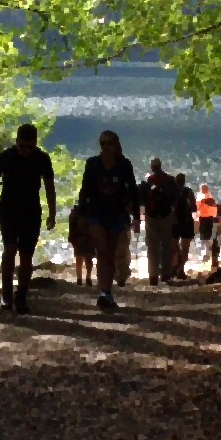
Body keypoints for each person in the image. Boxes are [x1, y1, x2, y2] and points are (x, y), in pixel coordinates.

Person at [0, 122, 58, 315]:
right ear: (16, 141)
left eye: (29, 146)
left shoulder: (42, 159)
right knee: (9, 249)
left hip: (31, 211)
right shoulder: (4, 158)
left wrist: (52, 212)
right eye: (22, 146)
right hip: (9, 209)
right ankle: (6, 294)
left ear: (35, 143)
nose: (25, 150)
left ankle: (22, 296)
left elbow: (50, 187)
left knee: (26, 255)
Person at [75, 130, 138, 312]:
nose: (106, 147)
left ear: (116, 144)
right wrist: (81, 214)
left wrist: (136, 217)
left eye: (109, 143)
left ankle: (107, 292)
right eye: (102, 144)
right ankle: (102, 293)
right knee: (102, 249)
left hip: (116, 214)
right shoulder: (92, 164)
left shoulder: (124, 165)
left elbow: (132, 190)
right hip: (96, 213)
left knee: (110, 254)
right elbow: (85, 189)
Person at [140, 158, 180, 285]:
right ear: (161, 166)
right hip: (166, 215)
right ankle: (165, 274)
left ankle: (153, 276)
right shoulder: (169, 179)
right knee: (166, 246)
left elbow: (143, 199)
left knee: (152, 247)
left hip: (151, 216)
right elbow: (175, 197)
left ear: (152, 167)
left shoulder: (149, 180)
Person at [196, 184, 220, 269]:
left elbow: (197, 208)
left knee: (205, 237)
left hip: (204, 218)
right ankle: (208, 253)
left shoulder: (201, 198)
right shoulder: (211, 198)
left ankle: (208, 252)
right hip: (210, 219)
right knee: (207, 237)